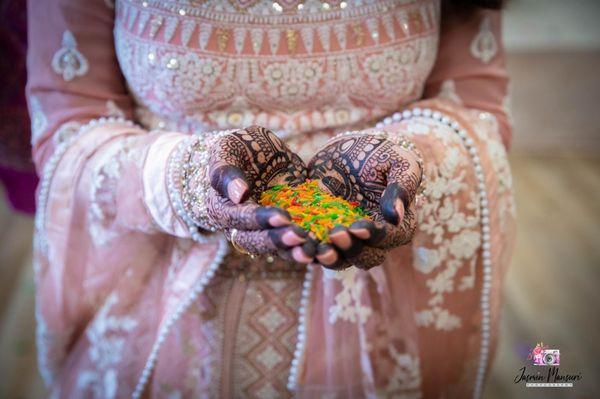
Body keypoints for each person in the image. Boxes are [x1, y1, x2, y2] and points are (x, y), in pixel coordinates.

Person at [27, 0, 515, 397]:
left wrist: (405, 161)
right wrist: (190, 176)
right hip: (166, 311)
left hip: (376, 313)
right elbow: (70, 127)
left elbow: (475, 110)